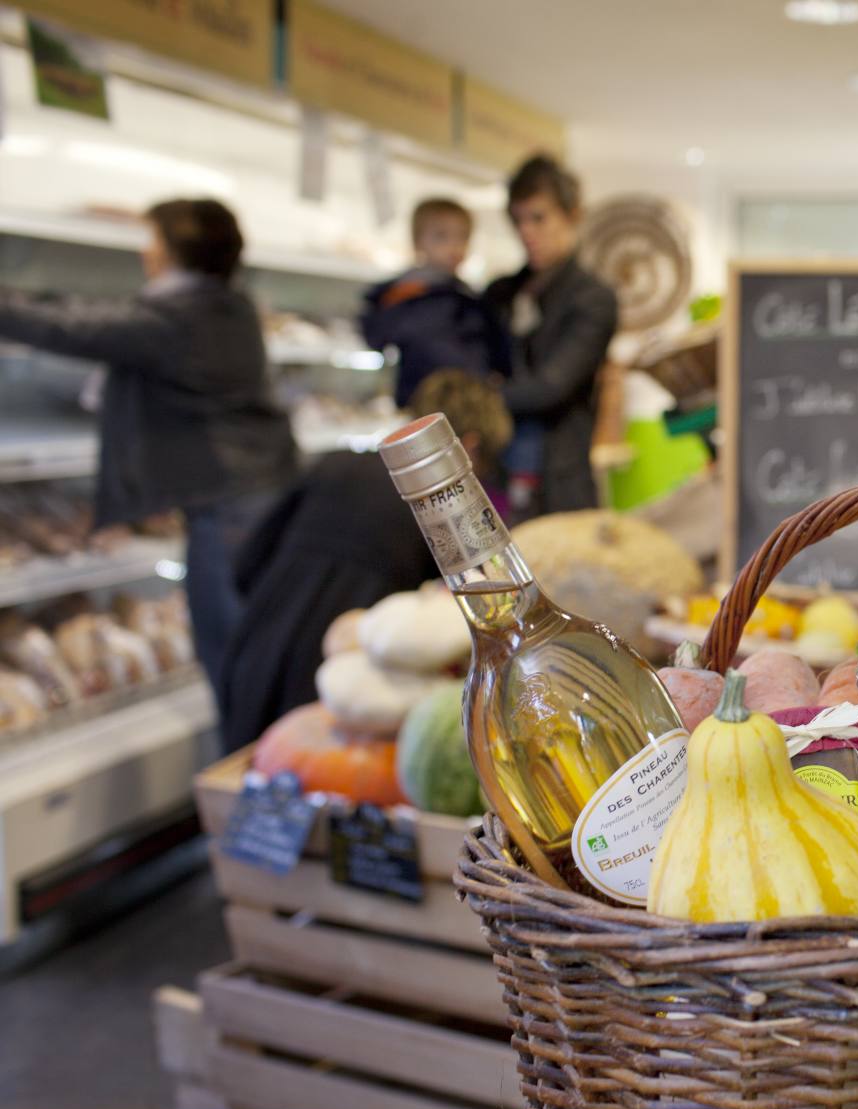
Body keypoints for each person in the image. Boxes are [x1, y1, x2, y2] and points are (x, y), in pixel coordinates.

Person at [0, 199, 297, 682]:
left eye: (151, 239)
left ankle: (247, 746)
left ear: (177, 250)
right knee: (253, 635)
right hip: (255, 485)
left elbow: (68, 326)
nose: (145, 252)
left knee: (229, 645)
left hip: (227, 501)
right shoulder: (229, 304)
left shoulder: (177, 318)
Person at [216, 370, 513, 751]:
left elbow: (246, 564)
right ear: (466, 449)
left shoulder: (334, 465)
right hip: (336, 689)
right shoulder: (439, 514)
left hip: (253, 654)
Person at [484, 154, 619, 516]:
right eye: (519, 220)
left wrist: (482, 395)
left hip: (560, 482)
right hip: (497, 474)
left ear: (571, 214)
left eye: (539, 217)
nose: (527, 231)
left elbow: (551, 387)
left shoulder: (593, 298)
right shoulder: (500, 293)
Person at [360, 197, 508, 408]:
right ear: (418, 241)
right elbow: (378, 335)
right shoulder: (406, 293)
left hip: (469, 404)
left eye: (462, 237)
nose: (454, 246)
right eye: (441, 237)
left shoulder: (470, 298)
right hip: (423, 403)